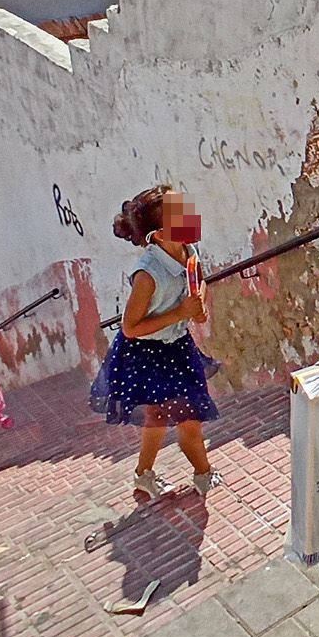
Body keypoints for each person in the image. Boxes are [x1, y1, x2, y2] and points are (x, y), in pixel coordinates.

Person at [95, 186, 222, 497]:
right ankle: (203, 473)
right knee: (188, 419)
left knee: (158, 417)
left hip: (178, 345)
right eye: (182, 214)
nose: (192, 216)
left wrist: (199, 304)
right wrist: (180, 311)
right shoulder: (148, 275)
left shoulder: (188, 250)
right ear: (161, 232)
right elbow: (129, 328)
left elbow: (198, 281)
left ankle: (143, 473)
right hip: (146, 354)